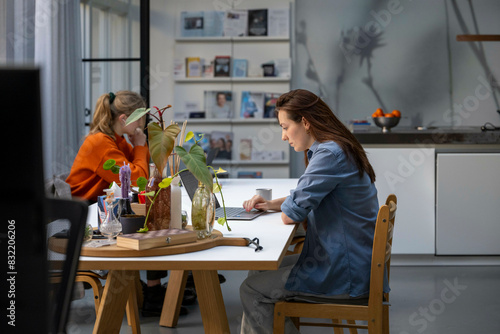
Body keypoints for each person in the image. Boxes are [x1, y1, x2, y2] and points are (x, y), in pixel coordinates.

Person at [239, 89, 389, 333]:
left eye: (285, 127)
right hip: (349, 260)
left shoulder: (329, 155)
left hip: (343, 272)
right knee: (261, 268)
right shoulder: (336, 147)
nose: (283, 136)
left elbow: (291, 215)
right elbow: (304, 198)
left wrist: (284, 206)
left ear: (305, 123)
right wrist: (269, 204)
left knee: (251, 290)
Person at [66, 91, 190, 317]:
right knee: (150, 220)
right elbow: (137, 178)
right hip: (84, 216)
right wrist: (141, 145)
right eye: (141, 119)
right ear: (124, 119)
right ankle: (156, 292)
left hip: (100, 208)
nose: (143, 124)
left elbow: (137, 172)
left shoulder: (116, 141)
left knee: (152, 216)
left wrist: (137, 147)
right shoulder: (99, 143)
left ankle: (163, 287)